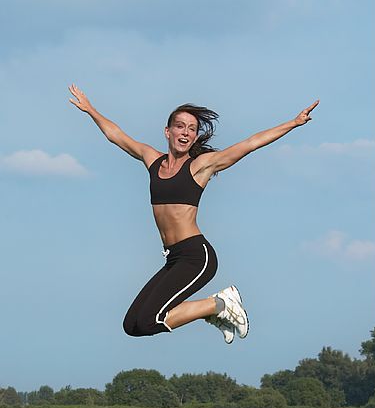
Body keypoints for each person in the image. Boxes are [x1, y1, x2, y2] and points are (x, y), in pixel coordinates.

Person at [68, 84, 319, 343]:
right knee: (132, 325)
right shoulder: (151, 159)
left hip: (196, 256)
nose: (185, 132)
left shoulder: (200, 166)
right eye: (180, 126)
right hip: (174, 258)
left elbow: (250, 143)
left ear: (196, 137)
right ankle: (216, 309)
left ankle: (219, 305)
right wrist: (90, 110)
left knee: (149, 320)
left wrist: (293, 123)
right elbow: (116, 136)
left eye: (192, 129)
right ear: (168, 131)